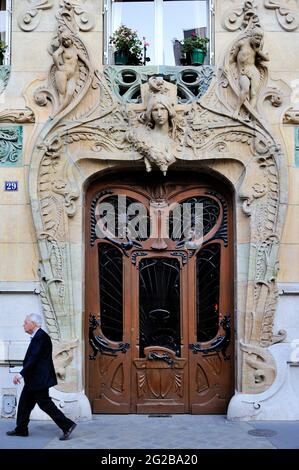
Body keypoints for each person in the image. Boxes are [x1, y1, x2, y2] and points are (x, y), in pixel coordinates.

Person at [6, 313, 76, 440]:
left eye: (26, 322)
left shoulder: (40, 337)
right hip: (34, 380)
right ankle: (21, 429)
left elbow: (34, 359)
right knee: (24, 404)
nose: (24, 324)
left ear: (34, 324)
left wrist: (21, 374)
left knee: (45, 404)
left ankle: (67, 425)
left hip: (38, 380)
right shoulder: (38, 336)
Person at [230, 26, 269, 117]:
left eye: (260, 38)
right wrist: (227, 69)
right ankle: (237, 110)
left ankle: (248, 116)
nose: (258, 40)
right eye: (256, 38)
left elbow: (267, 59)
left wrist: (258, 51)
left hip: (254, 70)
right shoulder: (241, 44)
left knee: (254, 93)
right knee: (245, 89)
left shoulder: (258, 47)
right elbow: (232, 59)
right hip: (243, 71)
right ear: (251, 36)